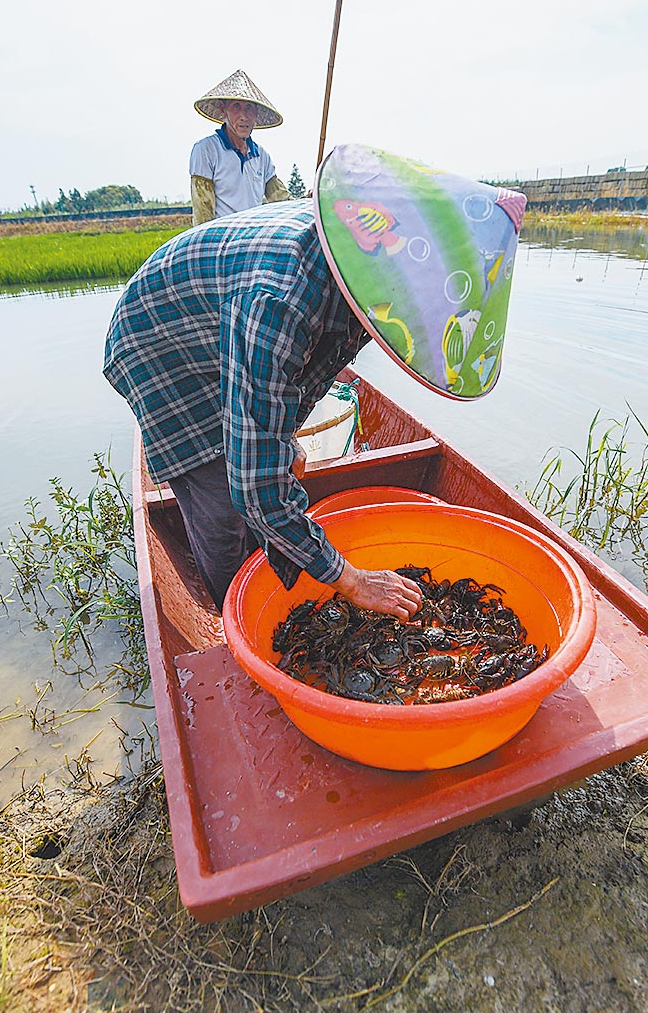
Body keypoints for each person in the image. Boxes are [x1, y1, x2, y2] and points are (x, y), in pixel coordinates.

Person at [104, 143, 525, 620]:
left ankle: (273, 562)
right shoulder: (283, 298)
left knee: (262, 462)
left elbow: (307, 373)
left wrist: (278, 442)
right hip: (160, 347)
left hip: (225, 323)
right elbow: (252, 484)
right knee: (222, 499)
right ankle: (236, 617)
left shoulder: (370, 285)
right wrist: (352, 579)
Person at [189, 68, 290, 226]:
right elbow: (203, 212)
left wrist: (308, 202)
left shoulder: (261, 156)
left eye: (249, 108)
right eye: (236, 107)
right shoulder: (206, 150)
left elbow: (282, 200)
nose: (244, 116)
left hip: (251, 238)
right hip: (221, 240)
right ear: (224, 110)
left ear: (256, 113)